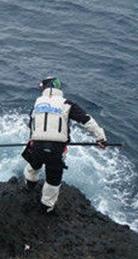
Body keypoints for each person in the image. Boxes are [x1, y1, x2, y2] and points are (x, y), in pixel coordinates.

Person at [22, 76, 107, 214]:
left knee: (34, 165)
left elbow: (31, 124)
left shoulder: (37, 103)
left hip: (36, 146)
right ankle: (47, 206)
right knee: (53, 178)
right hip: (56, 149)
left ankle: (30, 184)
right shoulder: (67, 103)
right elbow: (86, 120)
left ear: (44, 88)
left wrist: (33, 142)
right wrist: (100, 138)